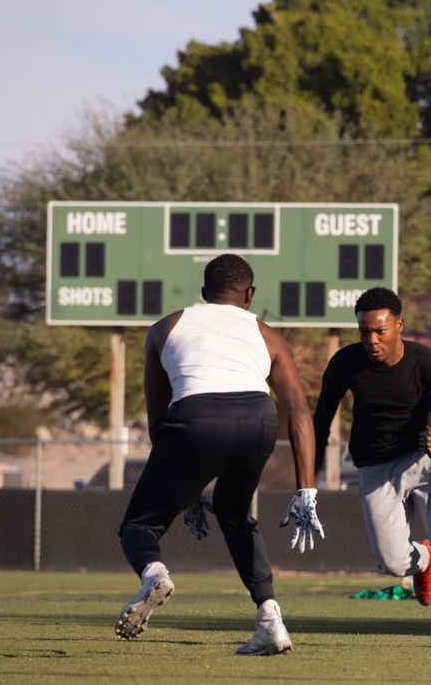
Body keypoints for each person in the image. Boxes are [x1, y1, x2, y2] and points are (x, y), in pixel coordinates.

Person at [115, 253, 324, 655]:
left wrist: (186, 488)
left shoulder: (165, 328)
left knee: (139, 525)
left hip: (198, 417)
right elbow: (298, 409)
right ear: (249, 294)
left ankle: (154, 574)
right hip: (260, 420)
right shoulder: (268, 334)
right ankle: (270, 619)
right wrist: (306, 489)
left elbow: (159, 419)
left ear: (203, 294)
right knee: (234, 514)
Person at [312, 287, 431, 649]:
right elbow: (319, 420)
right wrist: (308, 476)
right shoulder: (346, 363)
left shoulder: (428, 364)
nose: (372, 340)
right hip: (375, 466)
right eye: (364, 332)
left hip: (425, 458)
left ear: (399, 325)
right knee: (392, 563)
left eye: (380, 331)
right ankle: (423, 559)